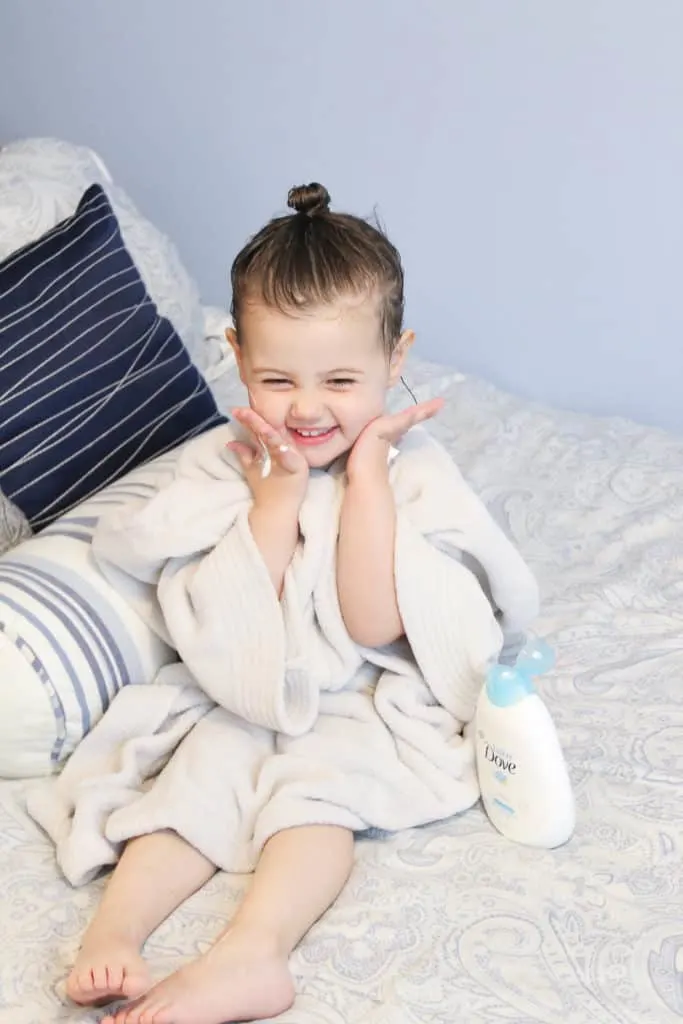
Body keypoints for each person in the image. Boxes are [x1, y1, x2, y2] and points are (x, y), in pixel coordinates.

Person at [29, 183, 538, 1024]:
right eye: (277, 378)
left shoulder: (407, 473)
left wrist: (365, 477)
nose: (306, 408)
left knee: (314, 791)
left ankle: (251, 954)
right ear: (233, 351)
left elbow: (378, 625)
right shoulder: (227, 463)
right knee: (191, 780)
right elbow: (225, 631)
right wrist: (274, 506)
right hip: (252, 683)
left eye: (341, 379)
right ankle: (110, 936)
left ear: (395, 359)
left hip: (367, 695)